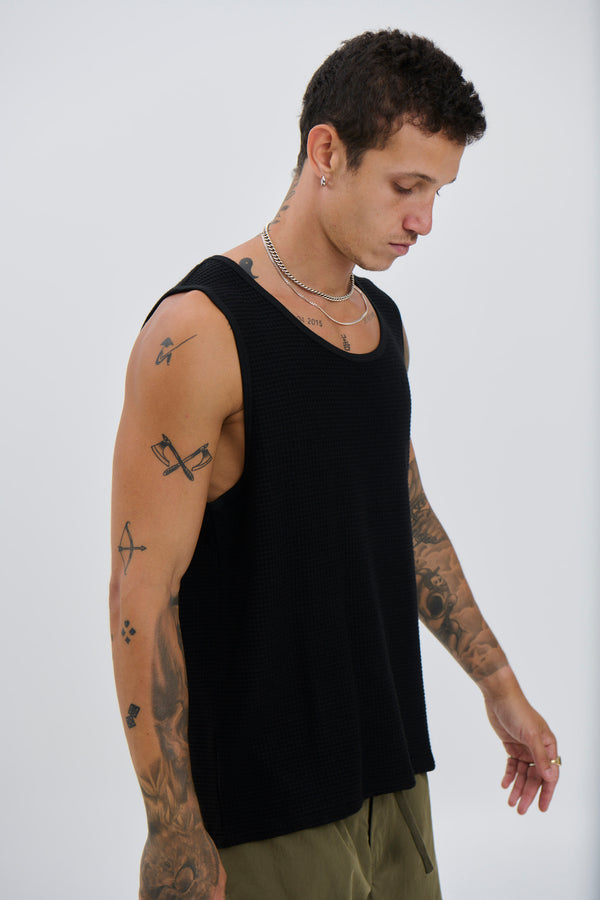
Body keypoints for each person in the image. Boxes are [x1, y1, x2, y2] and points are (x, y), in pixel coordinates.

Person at [109, 29, 559, 900]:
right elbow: (141, 592)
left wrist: (499, 686)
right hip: (268, 807)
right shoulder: (198, 332)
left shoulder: (377, 323)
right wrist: (173, 828)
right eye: (407, 186)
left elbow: (406, 520)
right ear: (327, 152)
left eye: (438, 192)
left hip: (391, 772)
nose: (425, 220)